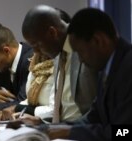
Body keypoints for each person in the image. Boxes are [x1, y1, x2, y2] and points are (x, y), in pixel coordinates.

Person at [34, 8, 132, 141]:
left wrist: (71, 132)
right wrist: (51, 128)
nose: (80, 60)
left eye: (80, 52)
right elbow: (93, 118)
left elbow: (125, 132)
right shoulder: (108, 67)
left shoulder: (127, 68)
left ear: (98, 40)